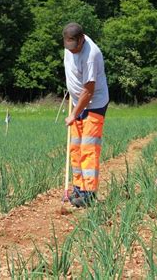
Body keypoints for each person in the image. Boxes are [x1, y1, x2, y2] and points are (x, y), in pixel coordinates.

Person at [63, 22, 109, 207]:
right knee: (75, 147)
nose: (72, 51)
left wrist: (74, 113)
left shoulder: (91, 55)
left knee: (88, 148)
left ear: (82, 39)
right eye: (69, 48)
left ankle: (89, 193)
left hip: (94, 104)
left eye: (75, 48)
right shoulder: (69, 46)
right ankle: (78, 188)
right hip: (77, 103)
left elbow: (89, 90)